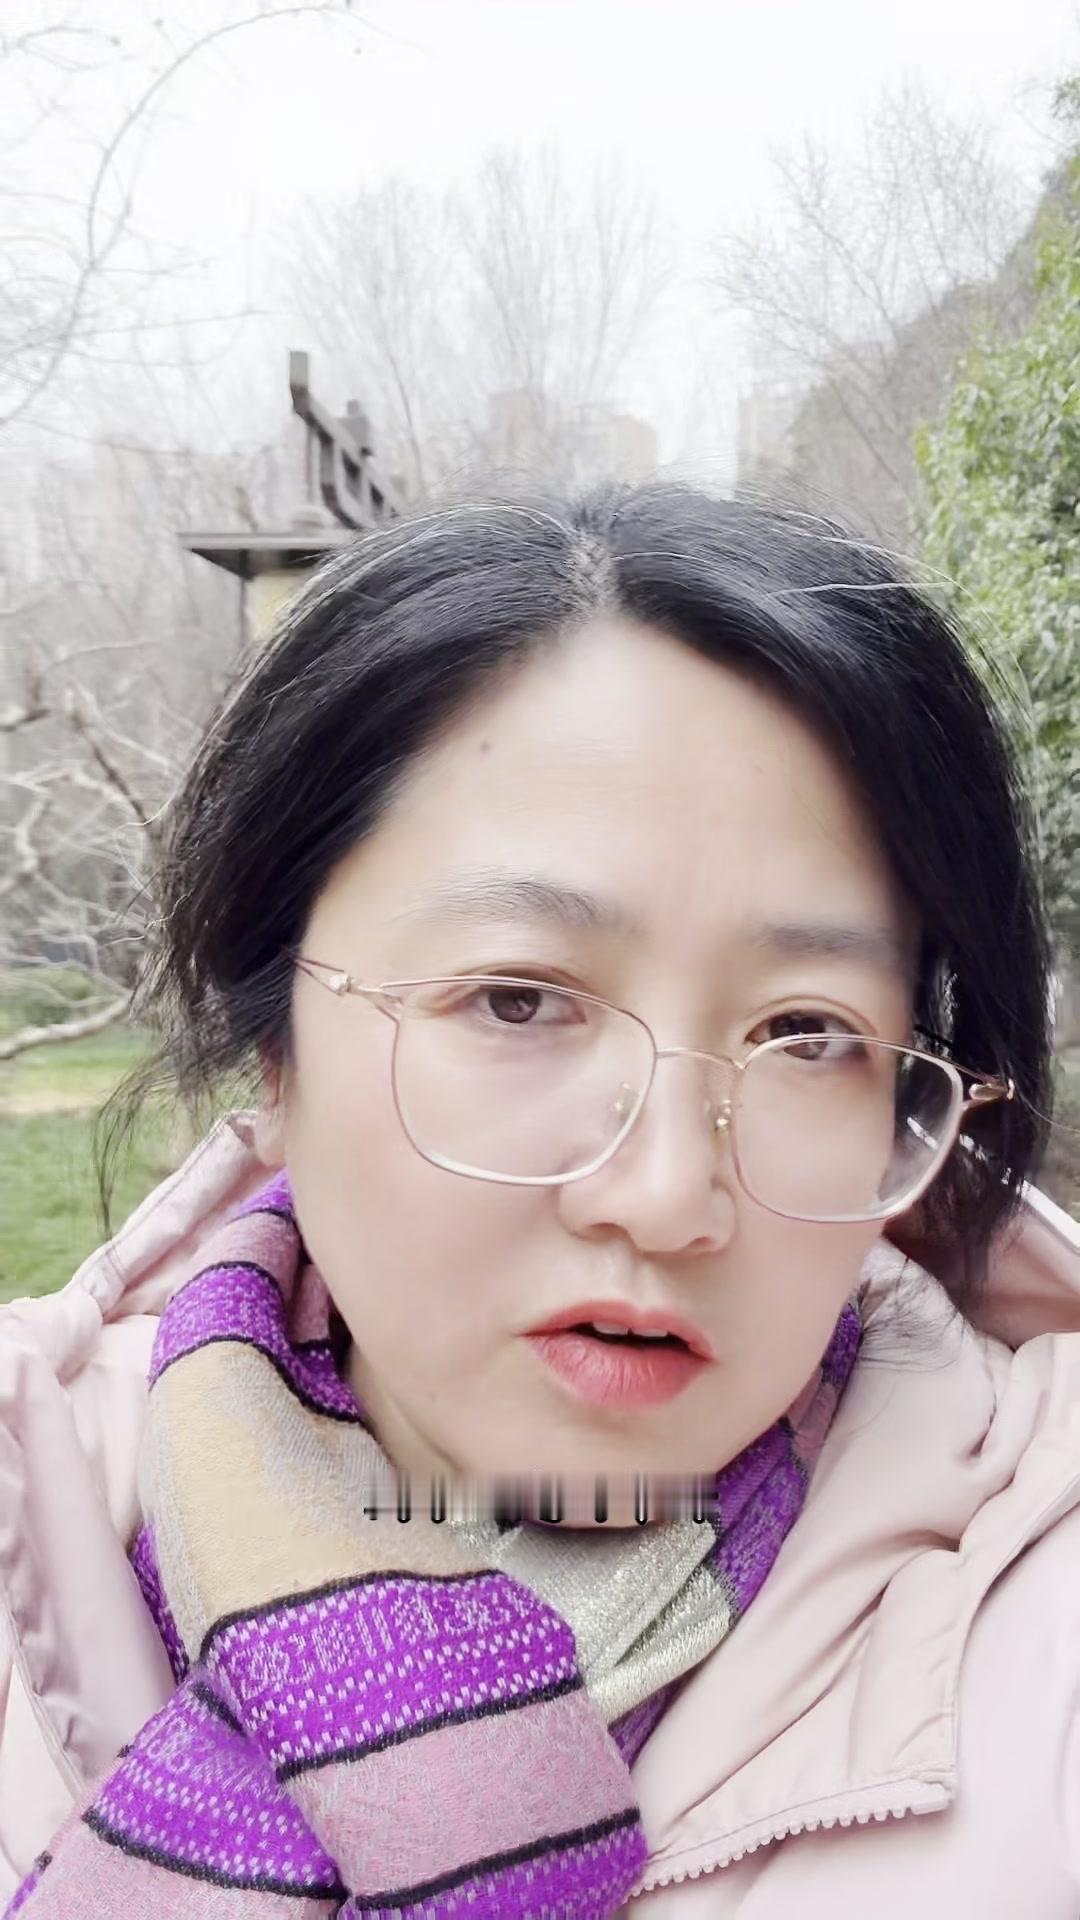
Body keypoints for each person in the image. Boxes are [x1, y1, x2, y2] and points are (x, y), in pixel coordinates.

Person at [1, 484, 1078, 1917]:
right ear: (275, 1051)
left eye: (808, 1032)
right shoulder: (36, 1505)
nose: (668, 1196)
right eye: (519, 1000)